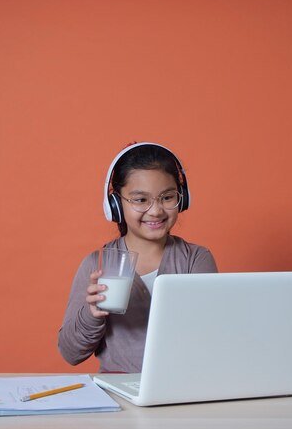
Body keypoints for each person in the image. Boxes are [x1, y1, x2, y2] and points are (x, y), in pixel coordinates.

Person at [58, 142, 218, 373]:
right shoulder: (98, 265)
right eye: (141, 200)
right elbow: (70, 353)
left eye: (167, 197)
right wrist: (92, 314)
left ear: (181, 199)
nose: (156, 211)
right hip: (118, 392)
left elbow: (211, 339)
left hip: (181, 388)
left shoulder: (196, 259)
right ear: (115, 205)